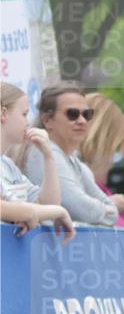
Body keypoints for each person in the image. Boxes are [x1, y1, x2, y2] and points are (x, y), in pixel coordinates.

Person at [22, 82, 124, 226]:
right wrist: (108, 211)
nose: (82, 121)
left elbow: (103, 204)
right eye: (72, 114)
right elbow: (81, 209)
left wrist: (105, 211)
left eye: (87, 114)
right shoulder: (42, 151)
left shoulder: (72, 159)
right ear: (47, 120)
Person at [1, 82, 74, 243]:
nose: (28, 122)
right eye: (24, 114)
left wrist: (48, 156)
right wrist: (56, 211)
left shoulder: (8, 166)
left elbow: (46, 204)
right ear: (4, 113)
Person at [79, 92, 124, 227]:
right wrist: (107, 208)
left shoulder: (101, 191)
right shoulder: (70, 182)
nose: (112, 161)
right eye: (115, 147)